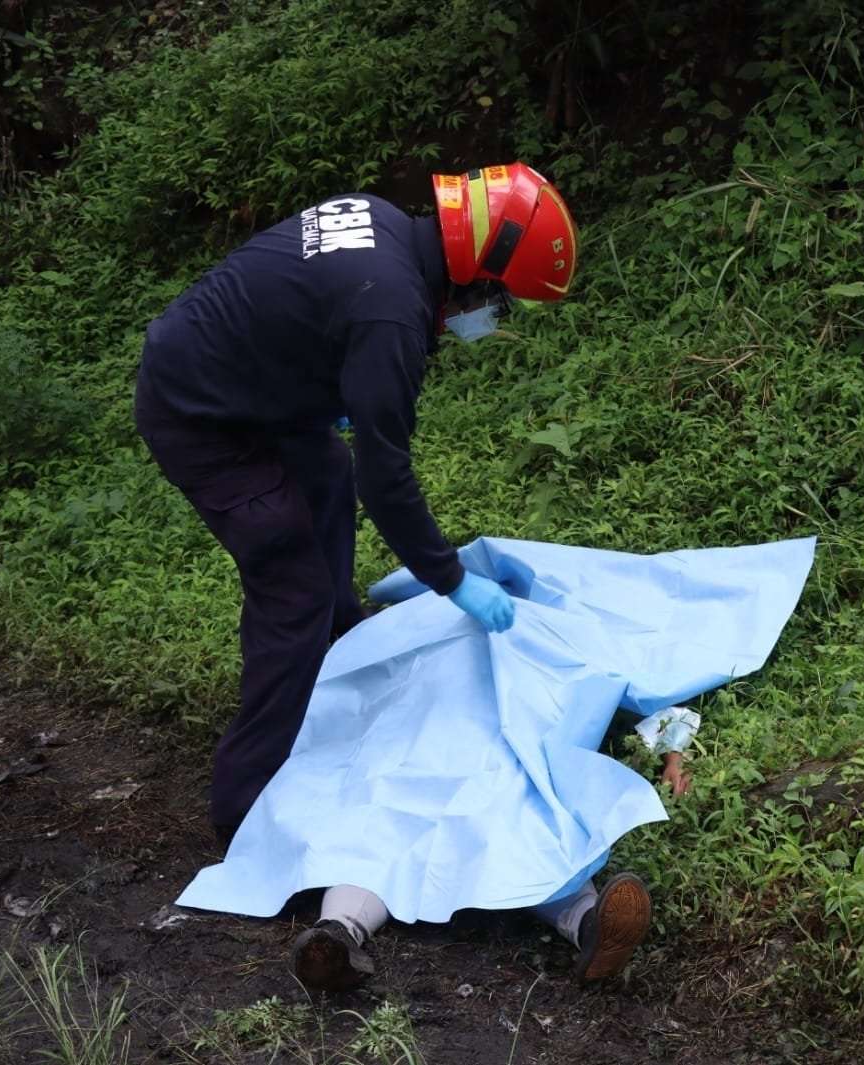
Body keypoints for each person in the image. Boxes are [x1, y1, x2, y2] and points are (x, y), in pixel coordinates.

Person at [132, 163, 578, 848]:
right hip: (199, 415)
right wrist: (453, 579)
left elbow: (297, 307)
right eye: (500, 300)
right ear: (476, 274)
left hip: (237, 381)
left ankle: (340, 647)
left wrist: (326, 388)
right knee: (292, 584)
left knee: (328, 472)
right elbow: (387, 478)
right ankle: (245, 805)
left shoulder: (380, 220)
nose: (494, 318)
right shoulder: (391, 314)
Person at [289, 707, 699, 990]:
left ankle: (593, 927)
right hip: (444, 720)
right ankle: (333, 939)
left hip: (514, 730)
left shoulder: (577, 624)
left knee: (503, 801)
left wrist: (674, 752)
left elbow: (644, 672)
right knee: (411, 796)